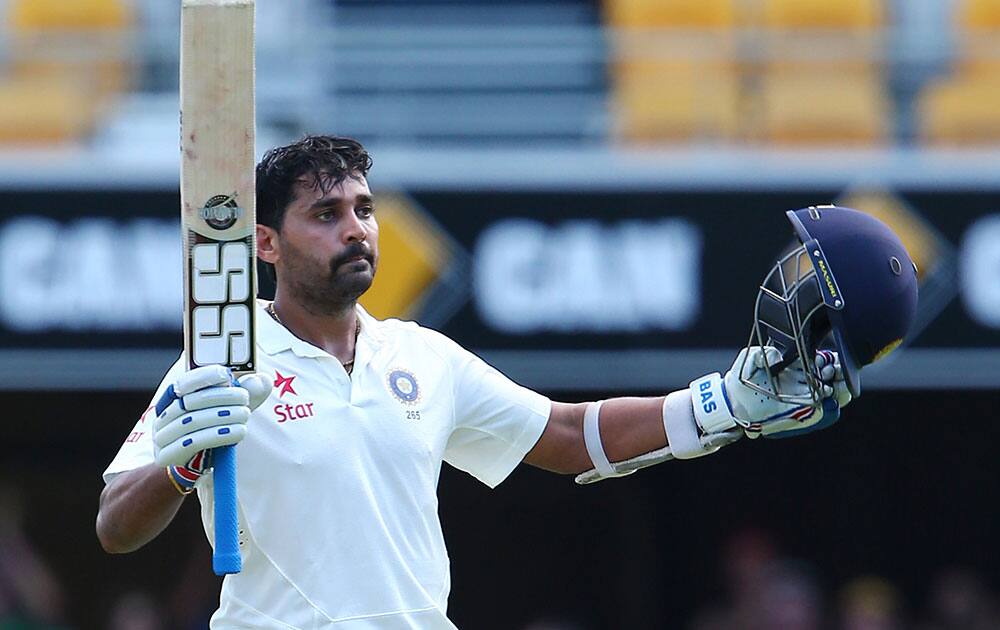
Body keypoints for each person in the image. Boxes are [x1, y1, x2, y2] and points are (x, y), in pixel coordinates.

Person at [95, 136, 916, 629]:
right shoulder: (218, 362)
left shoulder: (422, 356)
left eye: (364, 208)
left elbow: (564, 436)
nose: (356, 230)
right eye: (326, 215)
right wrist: (180, 465)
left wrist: (723, 404)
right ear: (266, 244)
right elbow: (113, 527)